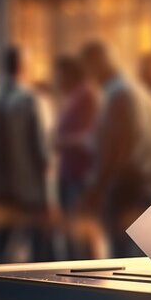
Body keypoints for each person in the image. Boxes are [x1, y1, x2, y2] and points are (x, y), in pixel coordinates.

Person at [79, 41, 151, 258]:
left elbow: (116, 148)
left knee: (122, 260)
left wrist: (96, 190)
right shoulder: (143, 92)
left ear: (95, 63)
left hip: (125, 189)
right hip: (148, 185)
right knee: (142, 258)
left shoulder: (116, 95)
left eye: (88, 67)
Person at [0, 47, 53, 263]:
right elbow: (42, 148)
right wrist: (48, 194)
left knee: (2, 247)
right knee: (39, 248)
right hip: (30, 187)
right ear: (24, 66)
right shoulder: (30, 99)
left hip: (2, 184)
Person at [52, 56, 97, 216]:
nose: (56, 81)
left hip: (79, 176)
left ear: (69, 75)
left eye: (58, 75)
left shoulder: (86, 95)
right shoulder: (73, 97)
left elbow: (93, 136)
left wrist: (64, 142)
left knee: (79, 231)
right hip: (69, 174)